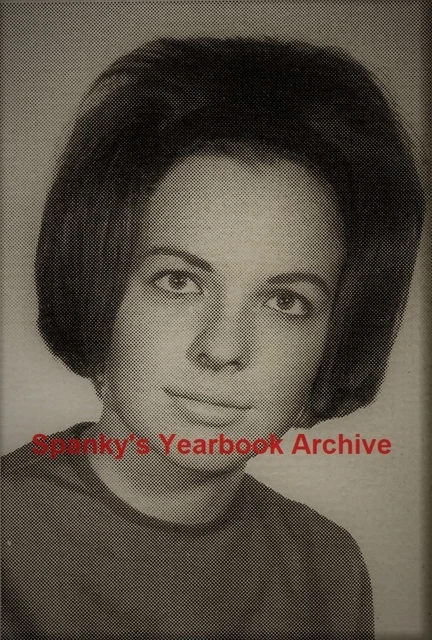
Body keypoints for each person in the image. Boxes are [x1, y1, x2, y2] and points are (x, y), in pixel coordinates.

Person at [1, 37, 423, 639]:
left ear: (338, 337)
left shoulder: (329, 569)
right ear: (98, 287)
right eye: (179, 281)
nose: (223, 349)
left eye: (285, 302)